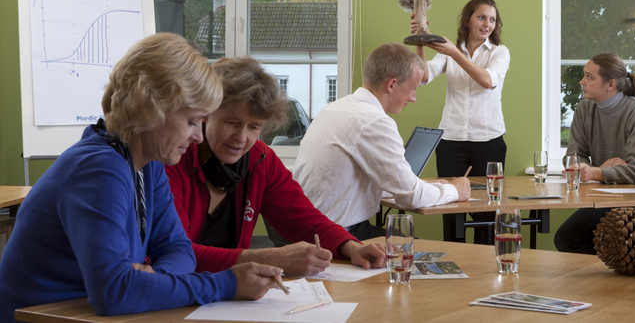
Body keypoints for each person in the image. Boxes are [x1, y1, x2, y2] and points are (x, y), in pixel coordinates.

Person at [0, 34, 281, 323]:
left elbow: (179, 249)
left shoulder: (147, 164)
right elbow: (114, 293)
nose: (198, 136)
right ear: (153, 108)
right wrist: (228, 284)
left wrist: (153, 280)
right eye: (191, 121)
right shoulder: (99, 169)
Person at [166, 56, 386, 276]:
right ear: (206, 115)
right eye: (231, 123)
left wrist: (351, 246)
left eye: (253, 127)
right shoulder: (173, 159)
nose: (241, 138)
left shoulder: (261, 160)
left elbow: (307, 220)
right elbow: (174, 253)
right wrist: (265, 258)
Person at [293, 42, 472, 240]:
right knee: (427, 252)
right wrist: (453, 190)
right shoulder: (374, 121)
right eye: (412, 89)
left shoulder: (333, 109)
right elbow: (410, 197)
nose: (414, 98)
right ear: (392, 84)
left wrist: (422, 186)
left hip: (305, 229)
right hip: (335, 237)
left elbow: (375, 183)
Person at [410, 0, 510, 244]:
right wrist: (420, 42)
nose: (487, 24)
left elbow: (488, 81)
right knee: (451, 211)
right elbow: (423, 76)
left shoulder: (500, 53)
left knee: (485, 214)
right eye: (481, 17)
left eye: (492, 20)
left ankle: (485, 273)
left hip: (488, 142)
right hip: (451, 142)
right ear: (468, 19)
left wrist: (455, 53)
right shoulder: (450, 52)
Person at [554, 53, 635, 254]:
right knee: (565, 239)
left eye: (589, 77)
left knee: (568, 239)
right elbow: (573, 157)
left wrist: (596, 173)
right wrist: (596, 170)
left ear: (610, 85)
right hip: (606, 197)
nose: (582, 81)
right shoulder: (584, 108)